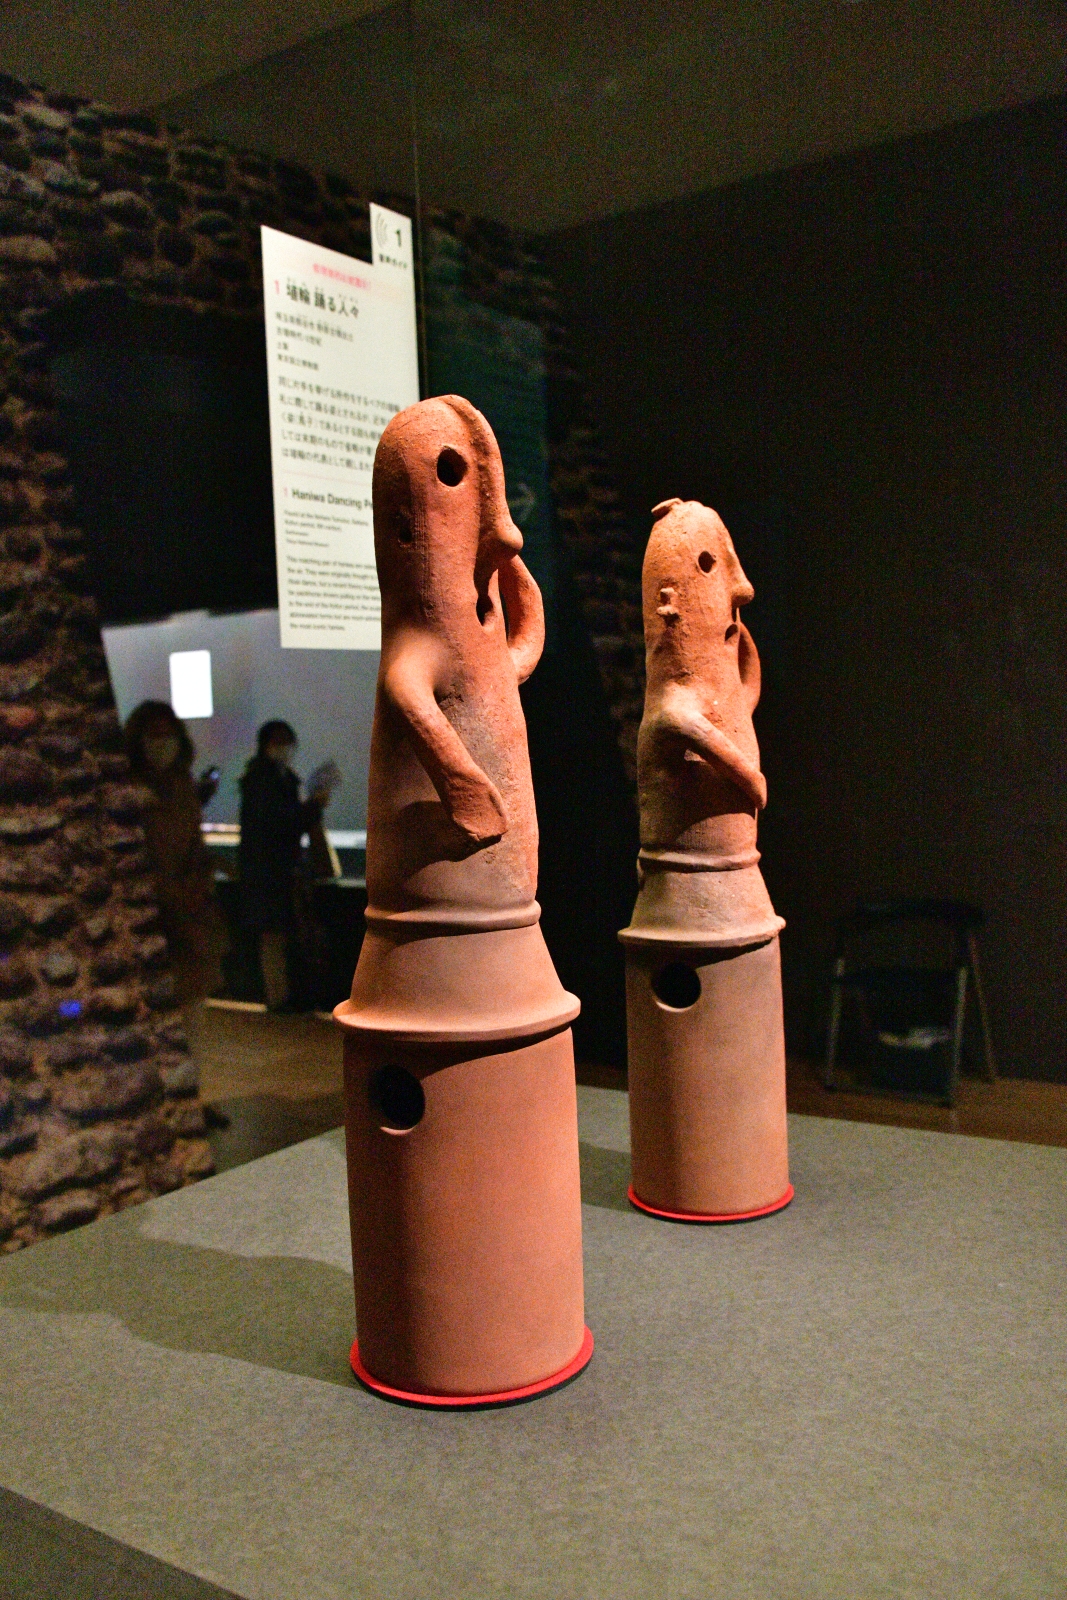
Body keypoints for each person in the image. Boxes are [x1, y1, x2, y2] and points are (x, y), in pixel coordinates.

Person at [124, 700, 229, 1124]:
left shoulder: (182, 786)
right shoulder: (129, 793)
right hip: (150, 918)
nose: (161, 743)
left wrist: (200, 882)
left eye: (167, 734)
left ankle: (191, 1099)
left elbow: (191, 848)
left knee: (192, 1018)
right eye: (153, 735)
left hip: (188, 916)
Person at [237, 720, 339, 1011]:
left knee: (278, 937)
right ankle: (279, 999)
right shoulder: (264, 782)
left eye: (286, 740)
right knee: (274, 937)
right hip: (270, 874)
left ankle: (282, 996)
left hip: (274, 873)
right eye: (277, 740)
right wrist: (313, 807)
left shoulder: (272, 779)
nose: (283, 747)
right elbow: (281, 824)